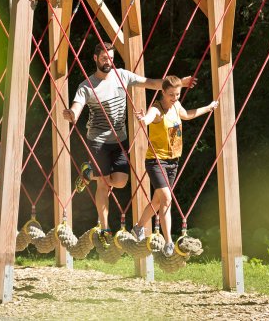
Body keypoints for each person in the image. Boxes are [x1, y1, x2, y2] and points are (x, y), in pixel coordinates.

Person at [63, 42, 195, 240]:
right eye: (104, 58)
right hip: (97, 141)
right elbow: (77, 107)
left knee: (121, 182)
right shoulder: (86, 86)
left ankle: (88, 172)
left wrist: (179, 84)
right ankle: (105, 229)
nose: (109, 62)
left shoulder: (122, 75)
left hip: (119, 139)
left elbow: (149, 83)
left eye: (111, 58)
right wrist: (71, 114)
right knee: (104, 185)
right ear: (95, 58)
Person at [132, 75, 218, 256]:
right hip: (156, 161)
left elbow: (187, 115)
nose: (174, 98)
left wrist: (208, 107)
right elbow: (148, 119)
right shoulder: (157, 109)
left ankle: (139, 227)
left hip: (173, 161)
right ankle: (169, 242)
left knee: (158, 201)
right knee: (167, 199)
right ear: (162, 92)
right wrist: (142, 119)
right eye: (171, 94)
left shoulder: (176, 106)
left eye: (177, 94)